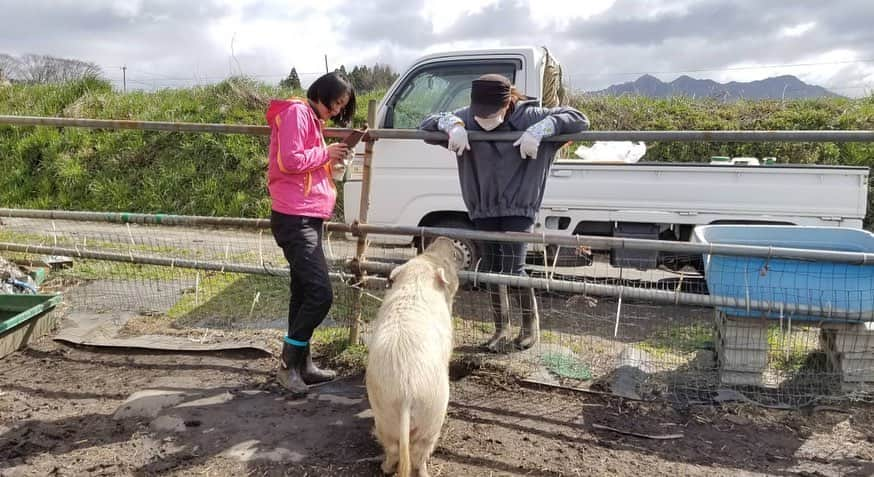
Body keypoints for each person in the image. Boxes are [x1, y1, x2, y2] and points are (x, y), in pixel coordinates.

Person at [419, 74, 589, 352]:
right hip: (483, 206)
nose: (485, 119)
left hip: (518, 206)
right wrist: (452, 126)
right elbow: (425, 125)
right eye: (479, 113)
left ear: (508, 101)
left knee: (514, 268)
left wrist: (542, 129)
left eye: (491, 113)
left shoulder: (529, 116)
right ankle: (500, 329)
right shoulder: (468, 118)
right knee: (492, 268)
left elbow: (578, 118)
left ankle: (529, 327)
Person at [266, 72, 356, 396]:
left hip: (307, 215)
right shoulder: (296, 113)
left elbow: (305, 165)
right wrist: (325, 154)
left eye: (343, 105)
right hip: (295, 217)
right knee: (320, 294)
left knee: (303, 292)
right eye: (337, 101)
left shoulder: (311, 119)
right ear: (324, 92)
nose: (337, 108)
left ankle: (303, 364)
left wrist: (331, 163)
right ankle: (288, 365)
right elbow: (289, 161)